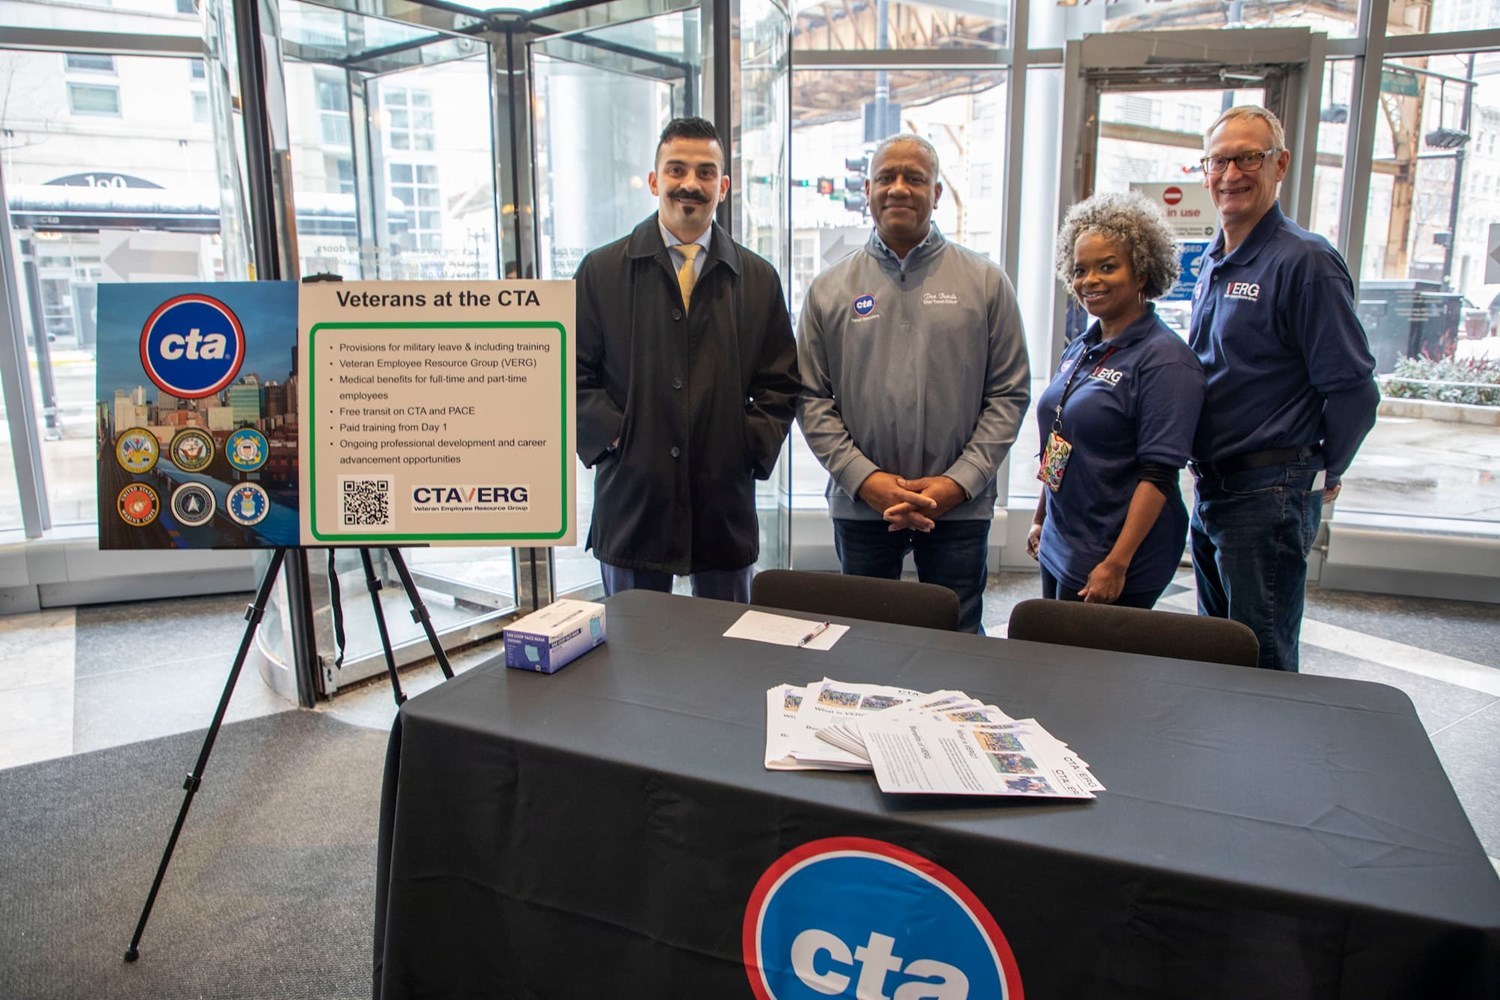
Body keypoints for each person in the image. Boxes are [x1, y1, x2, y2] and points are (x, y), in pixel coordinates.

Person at [797, 133, 1030, 633]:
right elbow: (811, 398)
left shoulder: (986, 282)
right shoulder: (828, 289)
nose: (899, 188)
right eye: (886, 177)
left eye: (914, 178)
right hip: (862, 505)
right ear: (867, 189)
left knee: (958, 632)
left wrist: (957, 483)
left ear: (937, 193)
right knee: (862, 636)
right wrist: (866, 481)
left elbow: (1009, 393)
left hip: (959, 507)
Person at [574, 117, 799, 602]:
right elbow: (571, 375)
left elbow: (781, 384)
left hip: (724, 503)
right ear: (655, 180)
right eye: (676, 170)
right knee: (633, 657)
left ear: (724, 185)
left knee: (726, 653)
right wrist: (615, 436)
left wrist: (746, 445)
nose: (690, 184)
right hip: (633, 497)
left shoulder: (758, 279)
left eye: (705, 171)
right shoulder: (600, 271)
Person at [1190, 105, 1379, 670]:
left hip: (1268, 492)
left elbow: (1355, 392)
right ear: (1205, 171)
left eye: (1249, 157)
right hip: (1215, 488)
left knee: (1262, 660)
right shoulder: (1215, 259)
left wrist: (1324, 470)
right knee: (1219, 652)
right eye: (1220, 160)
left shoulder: (1306, 261)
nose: (1231, 174)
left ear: (1281, 164)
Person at [1026, 192, 1205, 608]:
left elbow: (1159, 475)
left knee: (1091, 669)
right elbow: (1060, 439)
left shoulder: (1166, 361)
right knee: (1049, 657)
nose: (1090, 281)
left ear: (1141, 272)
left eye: (1108, 267)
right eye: (1080, 270)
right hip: (1062, 540)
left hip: (1114, 556)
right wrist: (1041, 518)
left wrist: (1116, 563)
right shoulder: (1083, 346)